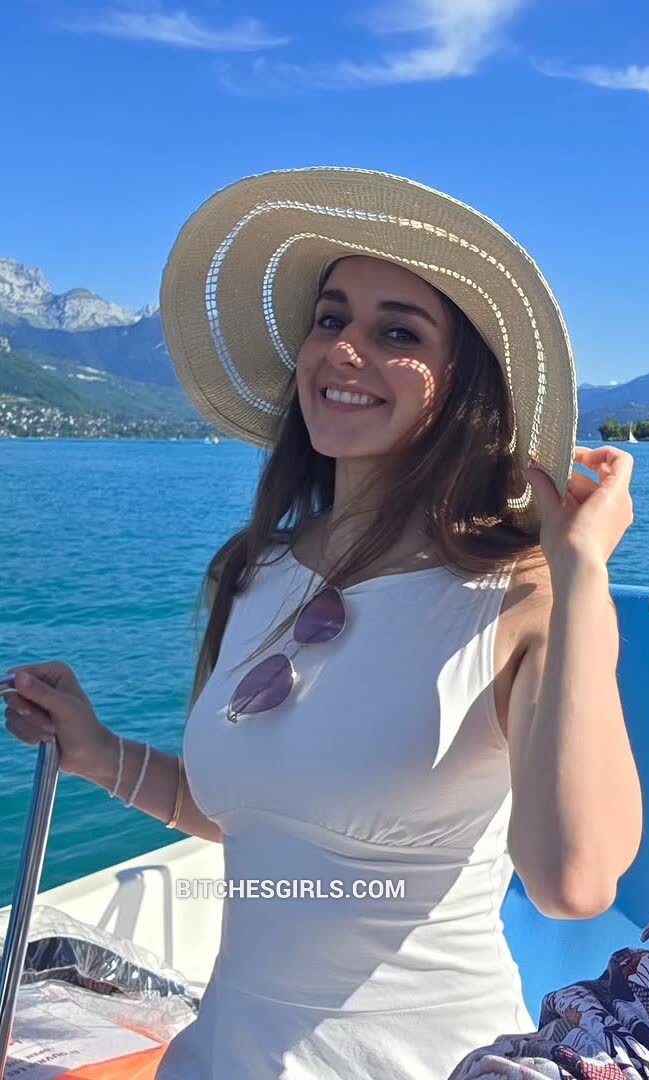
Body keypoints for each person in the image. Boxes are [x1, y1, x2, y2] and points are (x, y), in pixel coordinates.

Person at [4, 166, 584, 1078]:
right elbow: (248, 820)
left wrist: (581, 579)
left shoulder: (521, 597)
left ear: (463, 385)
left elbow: (572, 882)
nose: (344, 349)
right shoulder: (250, 570)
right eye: (329, 319)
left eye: (396, 332)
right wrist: (97, 750)